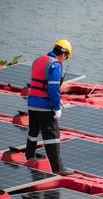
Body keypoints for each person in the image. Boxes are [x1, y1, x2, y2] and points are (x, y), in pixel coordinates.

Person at [25, 39, 74, 176]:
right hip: (45, 106)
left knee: (33, 131)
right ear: (64, 54)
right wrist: (56, 107)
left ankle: (29, 156)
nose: (65, 60)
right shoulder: (55, 65)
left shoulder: (38, 60)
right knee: (52, 135)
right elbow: (52, 88)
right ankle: (57, 167)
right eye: (66, 57)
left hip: (32, 104)